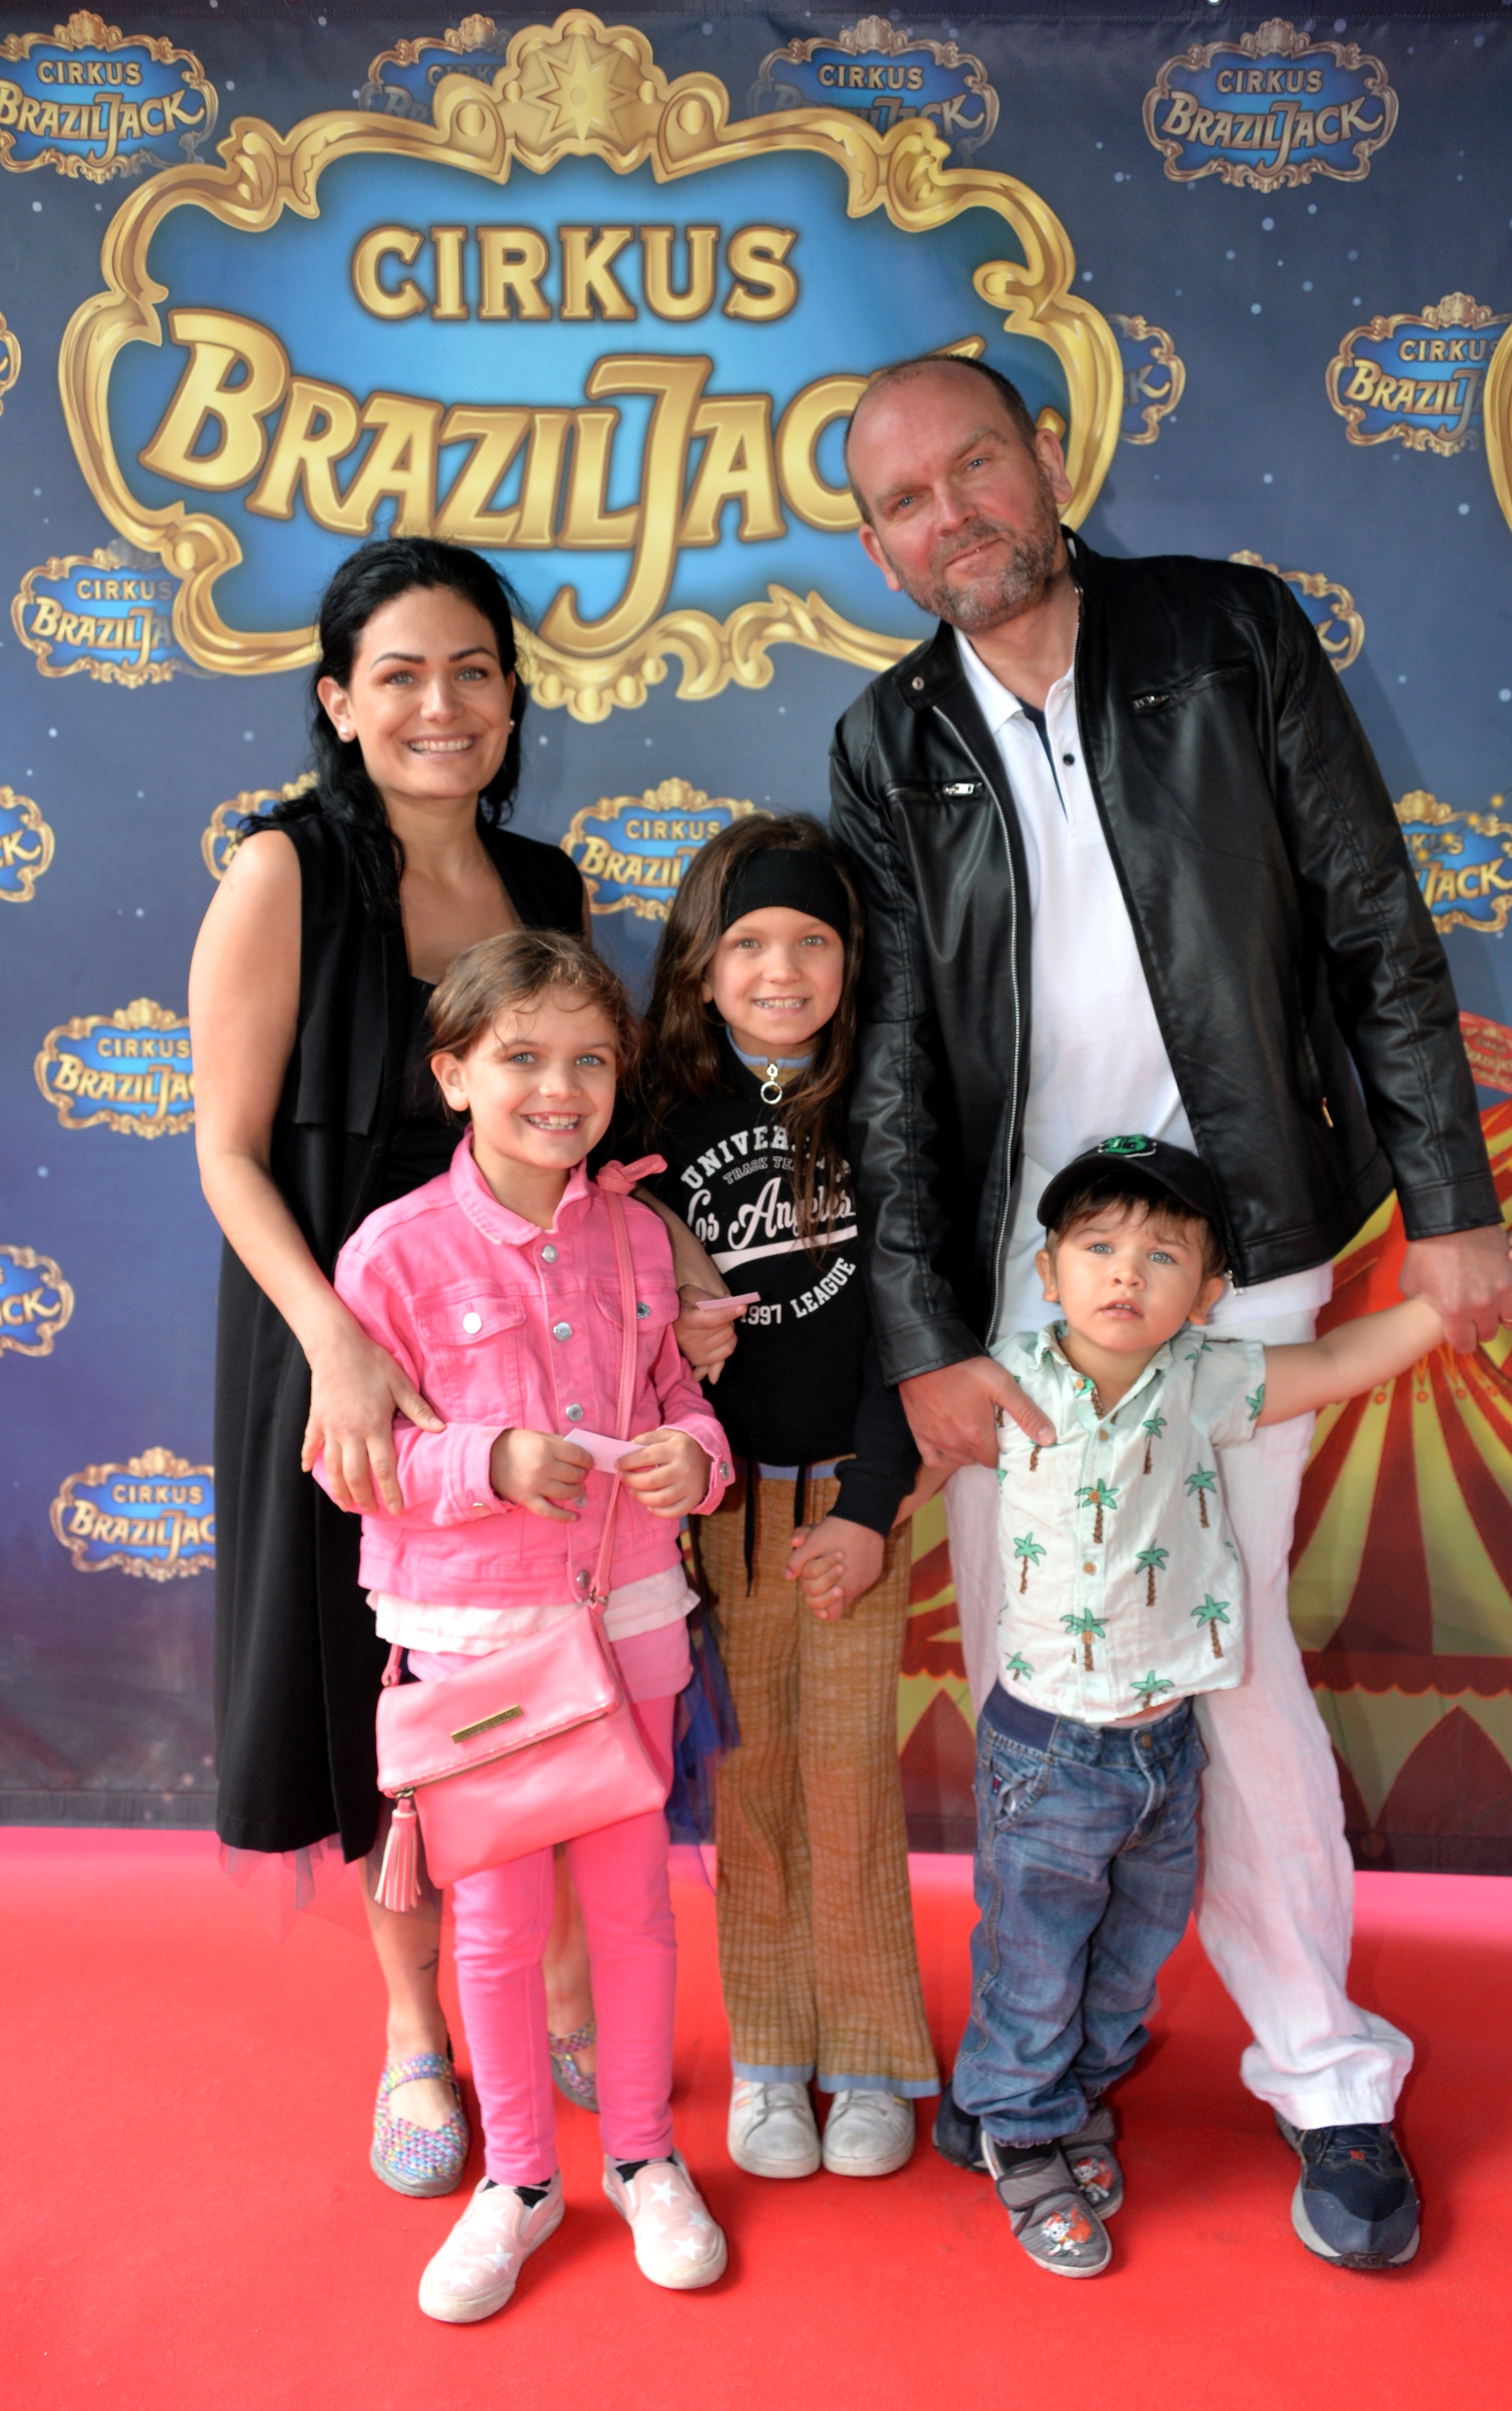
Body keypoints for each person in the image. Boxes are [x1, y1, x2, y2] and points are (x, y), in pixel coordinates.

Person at [830, 352, 1512, 2268]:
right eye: (903, 501)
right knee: (1039, 1677)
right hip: (1013, 1285)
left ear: (1047, 458)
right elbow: (890, 1064)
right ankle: (1045, 2066)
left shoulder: (1228, 634)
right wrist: (924, 1339)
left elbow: (1374, 922)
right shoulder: (887, 741)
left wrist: (1452, 1205)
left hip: (1237, 1243)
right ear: (880, 549)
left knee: (1219, 1660)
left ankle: (1324, 2071)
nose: (952, 516)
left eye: (976, 464)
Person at [190, 537, 719, 2195]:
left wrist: (680, 1252)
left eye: (473, 671)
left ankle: (558, 1988)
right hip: (345, 1342)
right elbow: (226, 1153)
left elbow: (583, 1128)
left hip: (540, 1345)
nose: (442, 704)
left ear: (511, 697)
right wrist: (339, 1353)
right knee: (396, 1699)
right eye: (401, 674)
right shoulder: (282, 871)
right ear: (339, 700)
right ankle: (415, 2031)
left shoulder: (546, 883)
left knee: (559, 1659)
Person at [954, 1138, 1512, 2277]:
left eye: (1163, 1256)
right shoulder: (1004, 1377)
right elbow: (910, 1455)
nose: (1126, 1274)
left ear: (1211, 1291)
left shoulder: (1206, 1378)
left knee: (1131, 1956)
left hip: (1164, 1746)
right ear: (1048, 1269)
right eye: (1098, 1247)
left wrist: (1443, 1309)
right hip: (1042, 1749)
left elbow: (1336, 1358)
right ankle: (1017, 2132)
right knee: (1034, 1953)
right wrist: (852, 1522)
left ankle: (1074, 2098)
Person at [318, 928, 735, 2320]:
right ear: (453, 1074)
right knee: (493, 1928)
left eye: (591, 1060)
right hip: (480, 1646)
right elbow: (350, 1462)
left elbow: (679, 1395)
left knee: (632, 1909)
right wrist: (484, 1461)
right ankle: (518, 2180)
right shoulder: (392, 1254)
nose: (560, 1088)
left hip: (629, 1622)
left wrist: (696, 1458)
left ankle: (641, 2155)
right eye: (523, 1058)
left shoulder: (638, 1236)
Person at [640, 814, 941, 2180]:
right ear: (700, 963)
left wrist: (872, 1506)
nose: (780, 970)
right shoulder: (653, 1116)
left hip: (851, 1505)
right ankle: (769, 2055)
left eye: (811, 940)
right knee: (751, 1783)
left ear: (850, 959)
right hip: (714, 1510)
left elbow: (909, 1328)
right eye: (748, 942)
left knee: (850, 1782)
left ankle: (871, 2054)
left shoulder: (889, 1106)